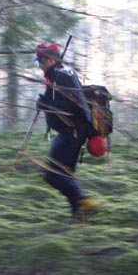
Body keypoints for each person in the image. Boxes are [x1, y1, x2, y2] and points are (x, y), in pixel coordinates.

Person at [34, 42, 101, 221]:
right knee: (64, 175)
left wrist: (47, 104)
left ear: (49, 60)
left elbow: (75, 105)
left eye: (40, 61)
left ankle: (86, 202)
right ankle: (78, 216)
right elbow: (60, 102)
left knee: (51, 174)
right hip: (71, 132)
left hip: (72, 132)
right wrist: (45, 102)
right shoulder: (55, 77)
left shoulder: (62, 76)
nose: (39, 65)